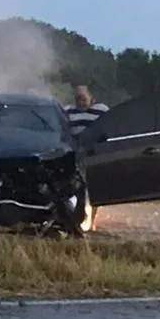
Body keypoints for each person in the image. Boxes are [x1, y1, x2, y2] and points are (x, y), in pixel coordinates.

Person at [63, 85, 109, 230]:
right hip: (75, 155)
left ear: (91, 98)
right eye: (78, 99)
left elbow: (110, 128)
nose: (80, 102)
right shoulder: (68, 111)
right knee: (76, 187)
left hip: (95, 154)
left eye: (83, 99)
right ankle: (76, 219)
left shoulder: (102, 110)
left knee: (95, 188)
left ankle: (92, 222)